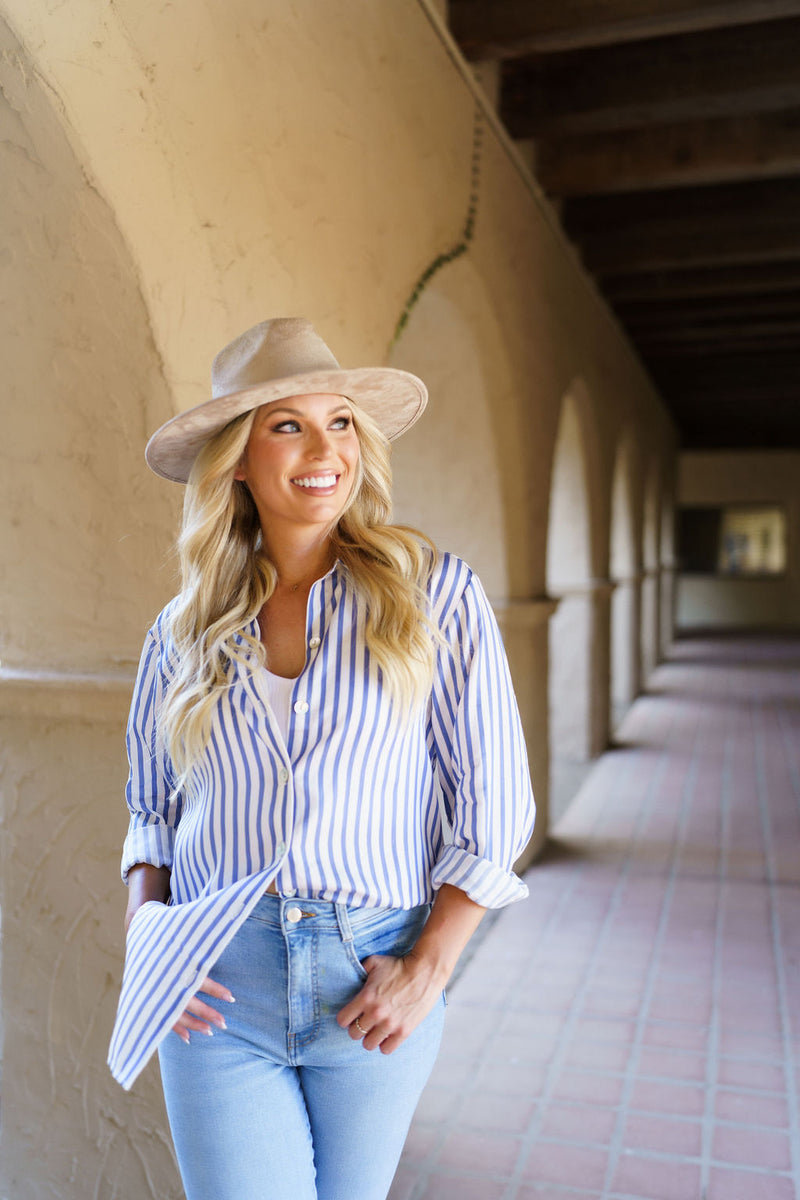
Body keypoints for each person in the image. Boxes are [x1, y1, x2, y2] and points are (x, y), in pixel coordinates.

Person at [108, 317, 535, 1200]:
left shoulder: (433, 595)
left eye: (339, 422)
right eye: (287, 425)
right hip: (215, 978)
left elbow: (492, 806)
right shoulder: (179, 631)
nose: (323, 449)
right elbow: (151, 813)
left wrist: (430, 970)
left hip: (371, 976)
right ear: (237, 459)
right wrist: (146, 935)